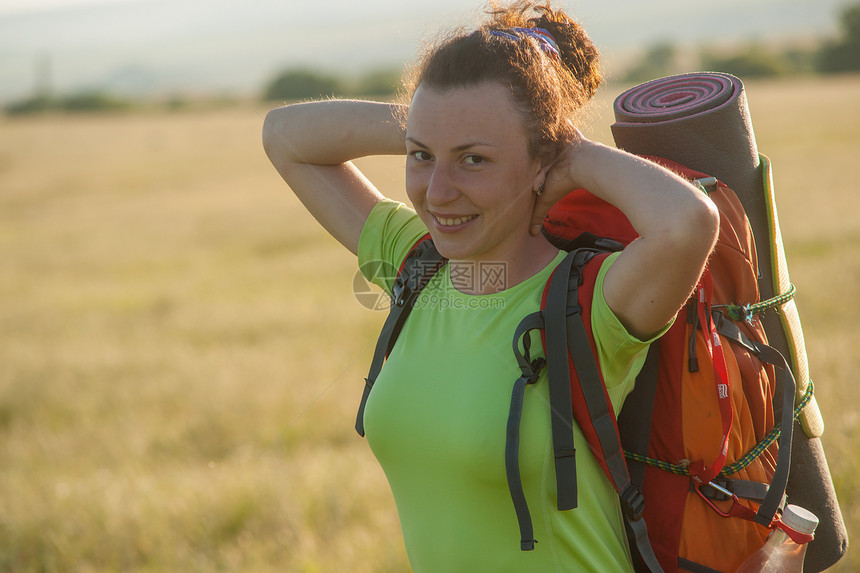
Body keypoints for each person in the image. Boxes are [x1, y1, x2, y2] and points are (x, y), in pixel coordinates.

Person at [262, 1, 719, 570]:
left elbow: (688, 223)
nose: (438, 191)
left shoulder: (590, 302)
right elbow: (285, 136)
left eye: (474, 160)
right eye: (421, 157)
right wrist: (440, 124)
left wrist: (571, 155)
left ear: (541, 162)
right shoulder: (418, 265)